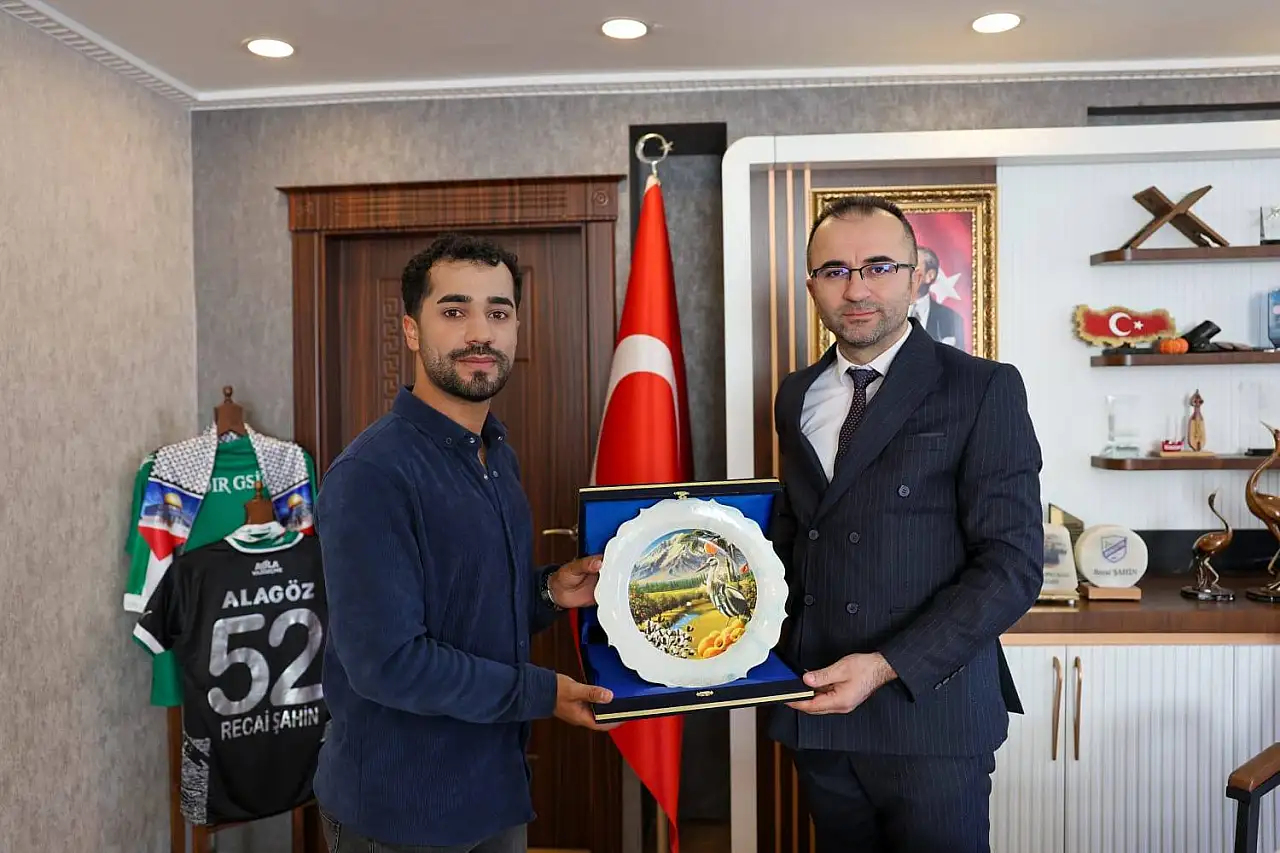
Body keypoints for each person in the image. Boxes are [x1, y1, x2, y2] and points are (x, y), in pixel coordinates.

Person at [313, 233, 616, 853]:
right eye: (454, 311)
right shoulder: (371, 475)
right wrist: (543, 692)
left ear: (516, 329)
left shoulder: (495, 455)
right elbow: (388, 663)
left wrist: (549, 592)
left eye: (498, 313)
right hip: (402, 813)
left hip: (494, 792)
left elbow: (467, 610)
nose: (481, 333)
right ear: (412, 330)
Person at [768, 195, 1043, 853]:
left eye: (879, 266)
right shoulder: (795, 393)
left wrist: (888, 665)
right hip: (818, 709)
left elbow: (1011, 566)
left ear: (918, 275)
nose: (856, 288)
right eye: (834, 270)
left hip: (931, 716)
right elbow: (794, 539)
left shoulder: (982, 387)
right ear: (811, 285)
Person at [911, 245, 965, 348]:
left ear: (930, 276)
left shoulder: (950, 318)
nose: (907, 274)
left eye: (913, 268)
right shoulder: (889, 312)